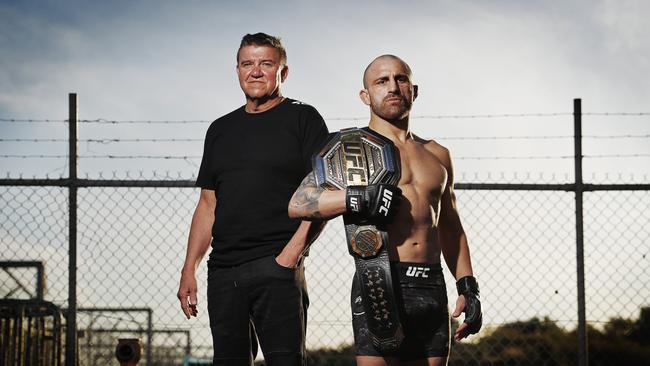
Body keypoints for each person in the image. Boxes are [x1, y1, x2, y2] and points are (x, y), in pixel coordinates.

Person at [288, 55, 482, 366]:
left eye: (400, 79)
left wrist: (468, 286)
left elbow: (451, 227)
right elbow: (299, 204)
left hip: (431, 284)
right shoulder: (350, 148)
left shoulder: (438, 154)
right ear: (365, 96)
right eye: (381, 81)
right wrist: (356, 197)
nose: (392, 87)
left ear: (413, 91)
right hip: (378, 281)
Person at [177, 32, 329, 366]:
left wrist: (290, 256)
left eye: (266, 64)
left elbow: (324, 193)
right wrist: (190, 268)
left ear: (282, 73)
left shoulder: (304, 119)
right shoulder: (220, 130)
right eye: (248, 63)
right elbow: (207, 205)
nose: (255, 71)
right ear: (238, 70)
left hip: (277, 265)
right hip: (223, 271)